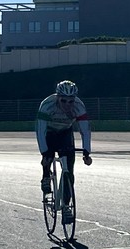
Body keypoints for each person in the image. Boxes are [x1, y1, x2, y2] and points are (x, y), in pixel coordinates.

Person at [35, 80, 92, 223]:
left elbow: (85, 130)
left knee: (69, 171)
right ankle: (46, 176)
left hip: (65, 133)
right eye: (64, 101)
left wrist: (87, 151)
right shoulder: (47, 105)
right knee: (48, 155)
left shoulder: (79, 106)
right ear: (57, 97)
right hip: (48, 133)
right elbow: (40, 131)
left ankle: (66, 206)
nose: (67, 105)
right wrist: (45, 152)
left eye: (71, 101)